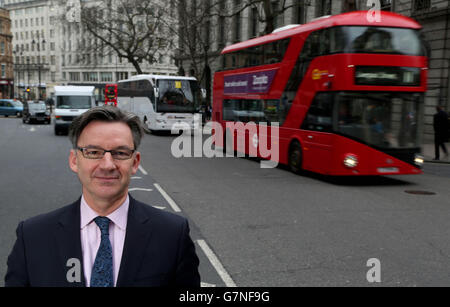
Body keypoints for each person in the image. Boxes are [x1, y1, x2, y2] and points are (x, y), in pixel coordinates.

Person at [5, 106, 200, 287]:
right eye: (93, 152)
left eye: (120, 153)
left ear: (135, 163)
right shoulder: (32, 237)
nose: (107, 165)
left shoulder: (173, 235)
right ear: (74, 161)